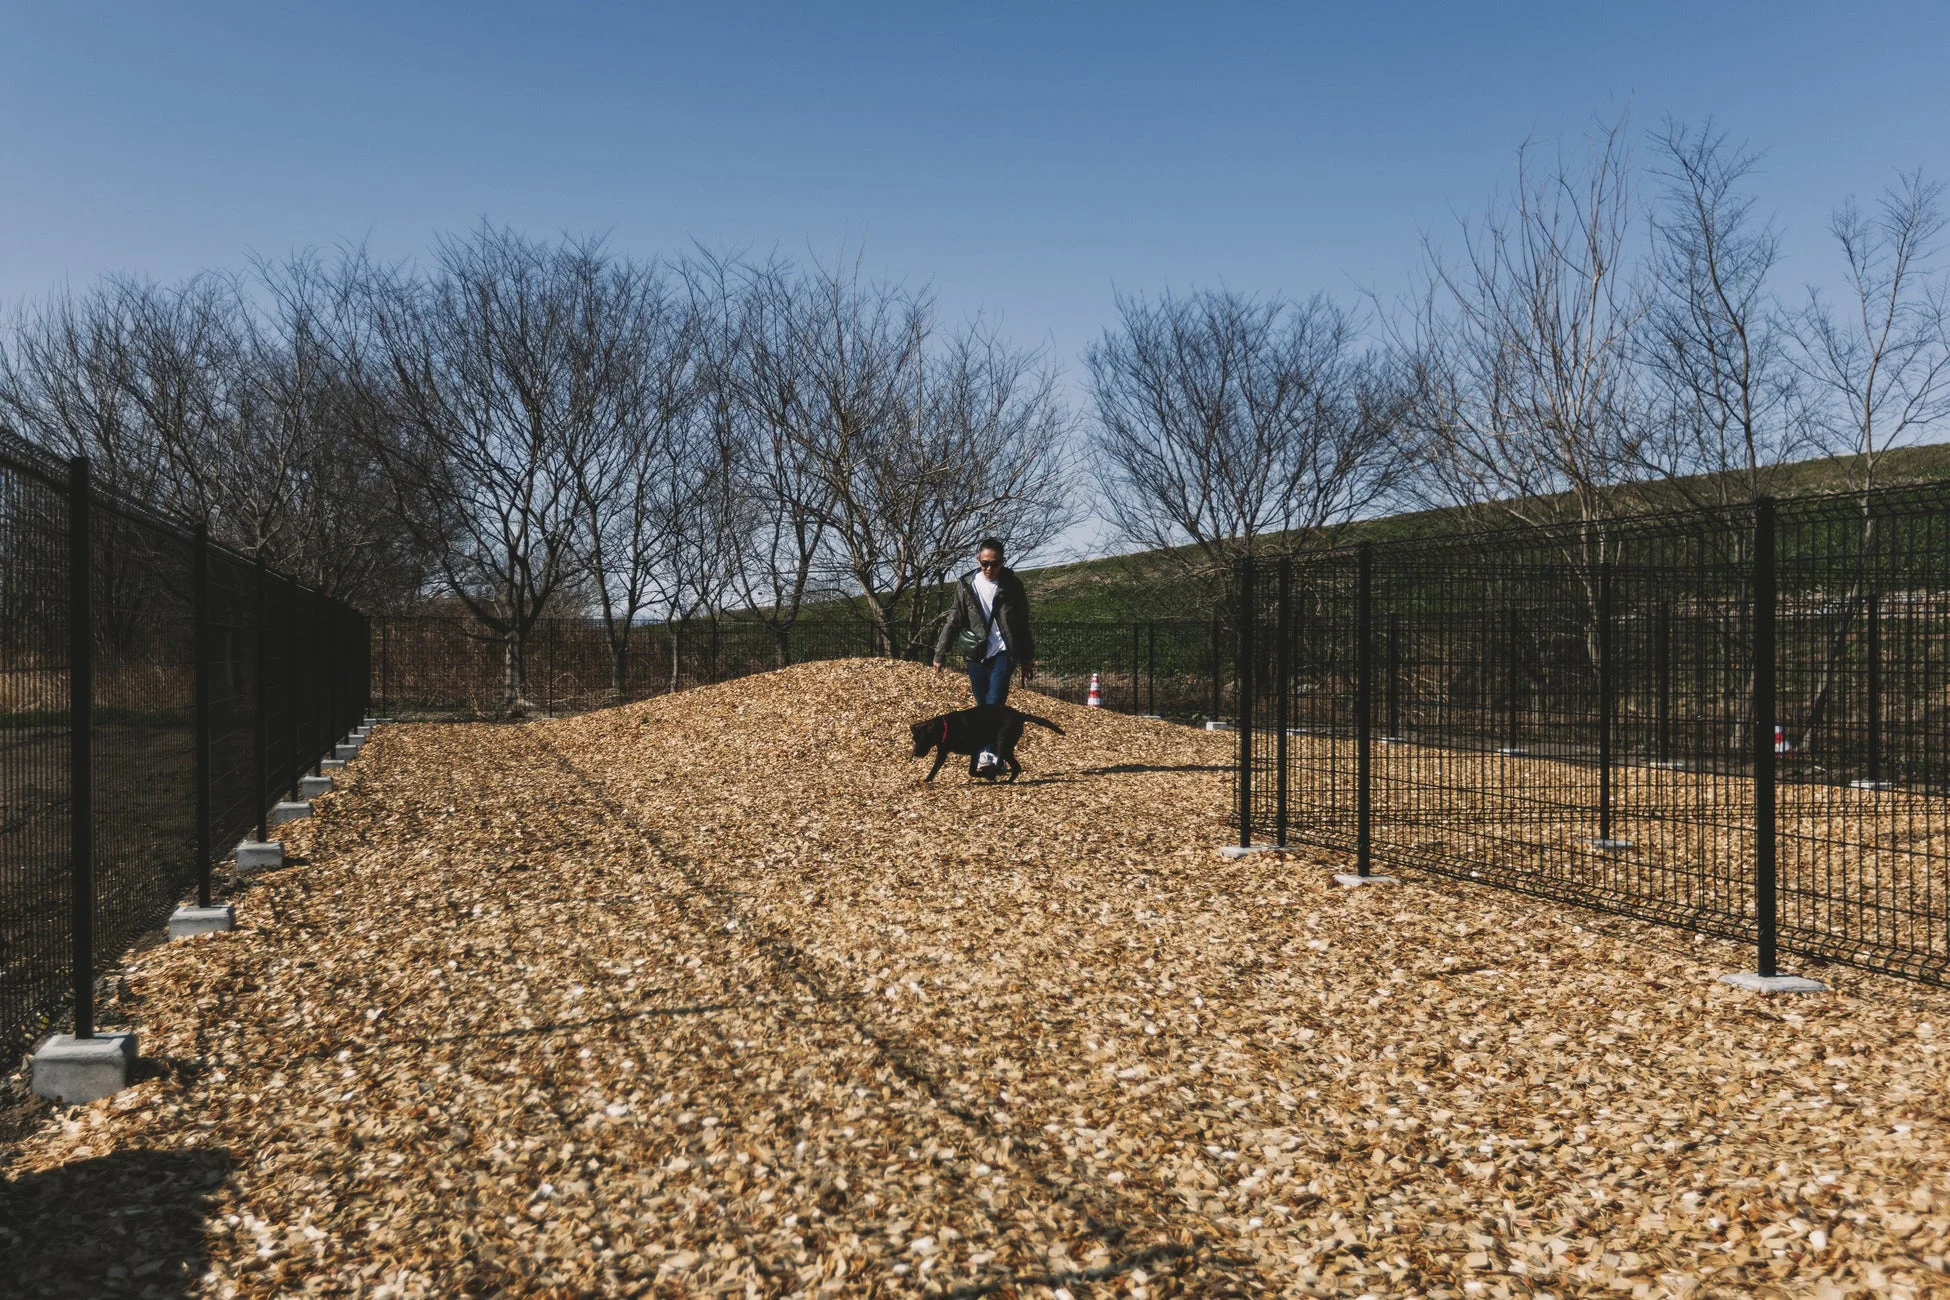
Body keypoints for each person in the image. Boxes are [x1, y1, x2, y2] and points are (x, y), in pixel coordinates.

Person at [933, 537, 1037, 775]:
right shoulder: (967, 584)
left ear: (1003, 562)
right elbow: (953, 620)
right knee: (982, 707)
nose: (989, 568)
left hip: (1004, 651)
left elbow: (1022, 625)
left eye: (995, 563)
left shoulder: (1013, 585)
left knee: (994, 702)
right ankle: (989, 754)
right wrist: (940, 653)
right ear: (978, 560)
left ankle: (990, 757)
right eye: (984, 563)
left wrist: (1027, 658)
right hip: (976, 654)